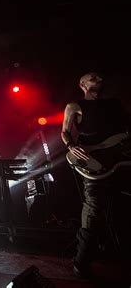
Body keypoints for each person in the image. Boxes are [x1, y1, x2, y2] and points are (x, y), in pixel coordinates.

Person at [61, 72, 129, 277]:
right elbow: (65, 131)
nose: (98, 78)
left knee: (120, 205)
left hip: (119, 159)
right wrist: (71, 146)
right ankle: (81, 263)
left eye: (100, 76)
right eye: (93, 77)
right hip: (94, 162)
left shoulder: (115, 104)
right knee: (93, 208)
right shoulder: (75, 106)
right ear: (82, 84)